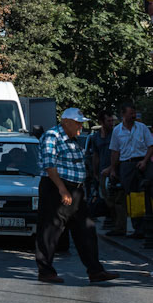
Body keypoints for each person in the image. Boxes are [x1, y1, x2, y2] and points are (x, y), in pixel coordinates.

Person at [37, 107, 117, 284]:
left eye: (82, 123)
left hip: (76, 190)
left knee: (86, 229)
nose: (81, 126)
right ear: (66, 122)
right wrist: (62, 189)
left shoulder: (73, 140)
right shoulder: (53, 136)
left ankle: (95, 271)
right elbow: (50, 166)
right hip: (57, 188)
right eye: (78, 123)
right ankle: (45, 271)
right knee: (51, 229)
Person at [105, 103, 153, 240]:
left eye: (134, 113)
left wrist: (144, 161)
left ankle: (149, 226)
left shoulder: (142, 128)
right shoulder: (117, 131)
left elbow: (151, 146)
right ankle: (138, 228)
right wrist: (113, 169)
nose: (133, 115)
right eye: (130, 113)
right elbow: (115, 151)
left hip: (142, 161)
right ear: (123, 114)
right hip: (127, 164)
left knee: (147, 190)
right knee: (132, 196)